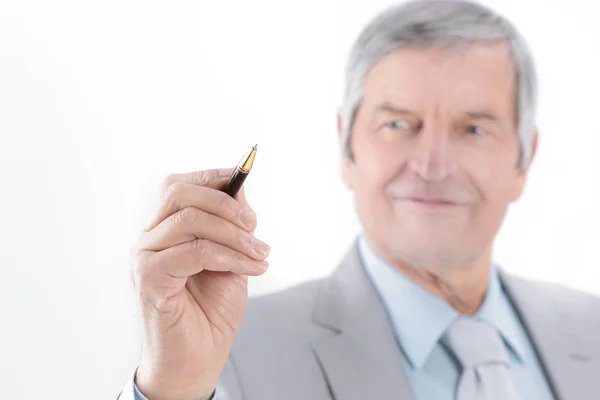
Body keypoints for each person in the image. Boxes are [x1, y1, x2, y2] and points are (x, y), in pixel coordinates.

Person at [118, 1, 600, 399]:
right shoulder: (229, 356)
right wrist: (176, 387)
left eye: (474, 129)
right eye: (397, 124)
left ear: (524, 159)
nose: (432, 164)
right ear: (346, 147)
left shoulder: (592, 328)